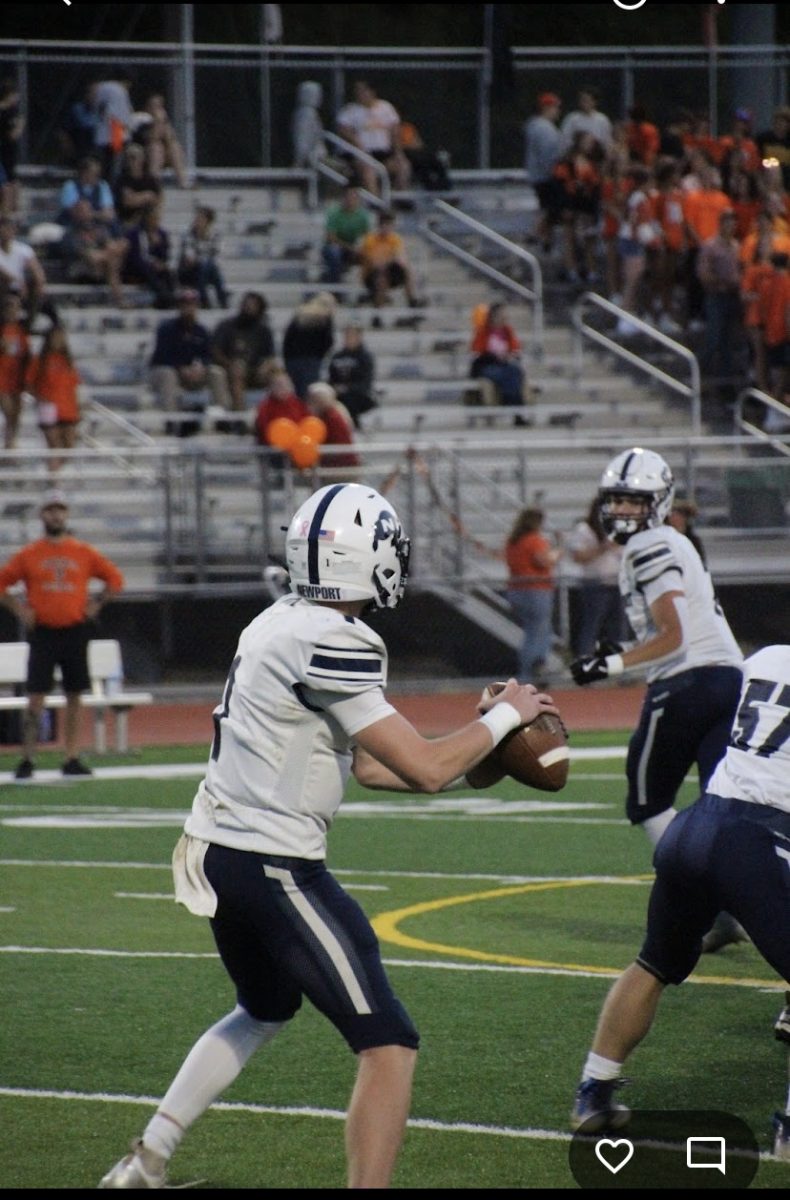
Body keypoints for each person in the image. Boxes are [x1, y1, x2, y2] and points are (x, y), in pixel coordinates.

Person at [97, 480, 560, 1190]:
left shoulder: (280, 620)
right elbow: (426, 769)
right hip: (272, 865)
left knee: (266, 1006)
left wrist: (480, 757)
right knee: (390, 1045)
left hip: (221, 850)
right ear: (365, 558)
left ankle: (144, 1162)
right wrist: (504, 717)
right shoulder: (334, 638)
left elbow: (376, 767)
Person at [570, 643, 790, 1163]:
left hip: (695, 827)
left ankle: (593, 1091)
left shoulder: (767, 658)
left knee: (654, 963)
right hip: (757, 841)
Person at [569, 448, 747, 951]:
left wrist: (611, 664)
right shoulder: (676, 540)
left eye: (634, 501)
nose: (624, 511)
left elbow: (674, 636)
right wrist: (623, 652)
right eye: (618, 501)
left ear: (659, 501)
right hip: (730, 680)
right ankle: (741, 904)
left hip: (686, 683)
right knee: (723, 807)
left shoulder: (647, 545)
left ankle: (701, 904)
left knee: (648, 800)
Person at [0, 490, 124, 780]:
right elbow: (3, 583)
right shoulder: (30, 554)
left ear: (65, 515)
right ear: (43, 515)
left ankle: (70, 755)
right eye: (50, 510)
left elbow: (115, 579)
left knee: (74, 695)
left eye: (60, 510)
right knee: (35, 696)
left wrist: (97, 603)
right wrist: (20, 610)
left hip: (74, 631)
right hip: (43, 632)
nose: (56, 515)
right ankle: (28, 757)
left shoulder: (82, 552)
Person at [505, 506, 561, 685]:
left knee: (532, 630)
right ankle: (531, 670)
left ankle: (532, 669)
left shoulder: (513, 541)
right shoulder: (534, 541)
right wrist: (559, 549)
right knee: (538, 631)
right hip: (536, 589)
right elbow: (544, 561)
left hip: (516, 589)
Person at [566, 496, 624, 658]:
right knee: (591, 625)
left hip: (615, 582)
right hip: (595, 583)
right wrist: (603, 548)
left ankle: (617, 664)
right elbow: (578, 556)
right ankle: (585, 661)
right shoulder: (584, 529)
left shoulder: (616, 530)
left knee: (616, 628)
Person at [336, 80, 411, 195]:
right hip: (361, 154)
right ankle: (376, 204)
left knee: (403, 166)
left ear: (372, 92)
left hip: (383, 153)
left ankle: (400, 198)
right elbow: (343, 129)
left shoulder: (385, 107)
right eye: (357, 91)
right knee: (368, 169)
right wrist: (356, 142)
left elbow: (394, 131)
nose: (359, 94)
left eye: (362, 91)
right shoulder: (351, 109)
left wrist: (398, 152)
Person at [24, 324, 82, 474]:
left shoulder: (67, 360)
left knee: (69, 444)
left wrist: (78, 407)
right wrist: (39, 398)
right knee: (53, 444)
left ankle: (55, 471)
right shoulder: (40, 360)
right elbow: (29, 383)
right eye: (55, 337)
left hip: (68, 407)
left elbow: (74, 385)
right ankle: (54, 481)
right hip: (48, 406)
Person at [209, 291, 277, 415]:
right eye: (246, 304)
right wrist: (229, 364)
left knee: (277, 372)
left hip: (255, 371)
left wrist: (266, 366)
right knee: (238, 368)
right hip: (229, 369)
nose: (248, 308)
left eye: (252, 305)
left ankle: (274, 414)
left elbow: (270, 356)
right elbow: (215, 351)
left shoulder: (264, 330)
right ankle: (239, 415)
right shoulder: (227, 326)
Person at [149, 288, 212, 413]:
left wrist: (201, 366)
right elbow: (162, 356)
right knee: (168, 374)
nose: (188, 307)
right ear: (179, 306)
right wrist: (181, 368)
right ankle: (172, 420)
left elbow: (208, 355)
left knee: (216, 373)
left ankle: (226, 418)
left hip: (191, 373)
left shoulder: (201, 331)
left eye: (191, 304)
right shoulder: (166, 329)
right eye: (184, 304)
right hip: (165, 370)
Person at [58, 197, 127, 307]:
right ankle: (120, 300)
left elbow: (112, 246)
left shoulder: (98, 229)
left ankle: (118, 297)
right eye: (81, 210)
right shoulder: (70, 234)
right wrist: (107, 254)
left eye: (87, 210)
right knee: (109, 261)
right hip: (79, 270)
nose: (85, 213)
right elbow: (89, 256)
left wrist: (108, 252)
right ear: (75, 213)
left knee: (117, 252)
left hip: (101, 267)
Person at [470, 302, 527, 417]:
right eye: (502, 315)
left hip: (504, 365)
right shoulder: (483, 332)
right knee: (510, 374)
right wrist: (494, 356)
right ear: (493, 316)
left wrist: (510, 355)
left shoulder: (508, 331)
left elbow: (515, 349)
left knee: (515, 371)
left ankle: (512, 403)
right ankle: (515, 406)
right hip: (487, 365)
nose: (504, 317)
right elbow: (477, 351)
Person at [524, 92, 563, 252]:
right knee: (552, 207)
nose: (557, 111)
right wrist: (555, 172)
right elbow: (548, 155)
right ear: (546, 108)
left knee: (549, 208)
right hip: (546, 176)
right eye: (555, 107)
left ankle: (547, 241)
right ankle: (534, 234)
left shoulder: (536, 125)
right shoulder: (543, 128)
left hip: (538, 175)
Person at [358, 210, 422, 309]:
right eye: (384, 224)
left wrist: (394, 260)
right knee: (382, 277)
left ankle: (412, 301)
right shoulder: (370, 240)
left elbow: (400, 257)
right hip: (371, 275)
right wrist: (391, 259)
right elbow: (374, 263)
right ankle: (378, 311)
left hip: (389, 271)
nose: (386, 227)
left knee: (406, 270)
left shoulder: (395, 239)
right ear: (379, 225)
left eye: (389, 224)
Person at [282, 292, 336, 399]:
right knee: (308, 393)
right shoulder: (324, 318)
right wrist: (320, 356)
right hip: (312, 361)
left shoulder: (300, 315)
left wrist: (288, 359)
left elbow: (287, 339)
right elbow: (328, 341)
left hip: (293, 360)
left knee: (294, 393)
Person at [122, 203, 175, 308]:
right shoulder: (134, 233)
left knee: (167, 272)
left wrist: (158, 246)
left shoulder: (162, 234)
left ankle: (169, 298)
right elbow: (133, 257)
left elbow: (165, 256)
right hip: (138, 267)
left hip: (155, 266)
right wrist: (151, 263)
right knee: (146, 268)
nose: (156, 221)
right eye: (153, 218)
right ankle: (164, 296)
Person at [326, 323, 377, 429]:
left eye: (352, 335)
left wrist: (347, 388)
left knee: (349, 400)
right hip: (338, 394)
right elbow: (331, 378)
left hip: (359, 395)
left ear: (359, 337)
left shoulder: (365, 357)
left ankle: (351, 427)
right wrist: (334, 388)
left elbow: (366, 382)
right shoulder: (337, 356)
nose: (349, 338)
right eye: (347, 335)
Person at [176, 206, 228, 309]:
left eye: (200, 218)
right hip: (189, 272)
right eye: (196, 218)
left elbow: (218, 258)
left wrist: (202, 260)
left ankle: (211, 301)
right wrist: (204, 260)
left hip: (208, 271)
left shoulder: (216, 236)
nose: (196, 221)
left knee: (209, 267)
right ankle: (218, 301)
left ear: (208, 221)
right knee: (206, 265)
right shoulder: (188, 235)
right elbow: (189, 258)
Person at [321, 184, 372, 286]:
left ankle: (368, 288)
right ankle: (336, 287)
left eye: (354, 197)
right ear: (343, 198)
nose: (350, 199)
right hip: (337, 247)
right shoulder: (334, 213)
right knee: (334, 252)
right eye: (348, 196)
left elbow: (367, 236)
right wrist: (349, 247)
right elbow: (331, 237)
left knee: (372, 254)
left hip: (353, 248)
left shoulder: (362, 215)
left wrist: (360, 247)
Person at [137, 93, 189, 189]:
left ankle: (182, 181)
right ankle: (154, 183)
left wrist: (163, 123)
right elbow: (153, 138)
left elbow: (170, 140)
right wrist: (158, 123)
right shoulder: (142, 119)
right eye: (154, 106)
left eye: (160, 106)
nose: (157, 109)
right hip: (146, 153)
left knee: (174, 148)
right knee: (156, 148)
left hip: (164, 155)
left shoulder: (164, 121)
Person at [305, 381, 360, 469]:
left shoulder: (332, 417)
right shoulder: (326, 414)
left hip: (341, 466)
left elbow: (335, 443)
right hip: (337, 464)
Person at [0, 289, 29, 451]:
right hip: (2, 376)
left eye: (15, 308)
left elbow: (26, 354)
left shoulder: (21, 330)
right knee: (9, 411)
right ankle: (9, 443)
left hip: (17, 376)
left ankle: (10, 442)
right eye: (9, 308)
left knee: (17, 413)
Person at [113, 142, 163, 229]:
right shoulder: (122, 180)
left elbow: (157, 199)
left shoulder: (150, 179)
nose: (130, 161)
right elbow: (128, 201)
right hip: (127, 222)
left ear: (142, 159)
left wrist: (137, 197)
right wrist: (147, 196)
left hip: (147, 222)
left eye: (134, 158)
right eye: (128, 158)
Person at [253, 368, 308, 447]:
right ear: (271, 388)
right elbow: (263, 429)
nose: (283, 388)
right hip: (272, 449)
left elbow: (305, 423)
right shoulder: (265, 407)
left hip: (295, 446)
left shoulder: (298, 404)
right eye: (278, 385)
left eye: (286, 384)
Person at [559, 86, 612, 156]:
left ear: (594, 102)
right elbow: (564, 141)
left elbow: (606, 142)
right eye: (582, 100)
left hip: (596, 156)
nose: (584, 103)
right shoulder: (572, 118)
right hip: (575, 156)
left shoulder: (602, 120)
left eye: (587, 100)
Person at [0, 77, 25, 217]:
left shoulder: (12, 110)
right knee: (8, 186)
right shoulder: (6, 113)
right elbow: (12, 135)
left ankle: (13, 215)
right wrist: (21, 124)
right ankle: (7, 215)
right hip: (4, 153)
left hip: (10, 154)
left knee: (14, 183)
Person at [291, 79, 326, 169]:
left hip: (317, 154)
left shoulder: (311, 113)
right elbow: (302, 138)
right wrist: (300, 159)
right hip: (312, 156)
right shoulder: (306, 114)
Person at [666, 497, 706, 566]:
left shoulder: (693, 540)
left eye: (679, 514)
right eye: (672, 514)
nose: (675, 518)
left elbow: (700, 562)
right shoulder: (664, 538)